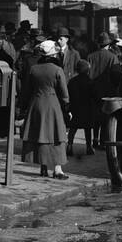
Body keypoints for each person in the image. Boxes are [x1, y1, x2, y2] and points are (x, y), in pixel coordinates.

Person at [20, 39, 70, 179]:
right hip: (52, 104)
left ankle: (43, 168)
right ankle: (57, 169)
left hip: (36, 104)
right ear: (53, 55)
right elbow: (64, 93)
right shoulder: (57, 70)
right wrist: (66, 107)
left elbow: (27, 90)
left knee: (40, 136)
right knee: (56, 136)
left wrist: (23, 107)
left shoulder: (34, 69)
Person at [66, 58, 97, 157]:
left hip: (75, 108)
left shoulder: (72, 81)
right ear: (87, 70)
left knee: (73, 128)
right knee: (87, 129)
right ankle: (89, 147)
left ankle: (69, 146)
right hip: (87, 108)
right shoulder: (90, 81)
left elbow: (68, 95)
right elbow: (94, 95)